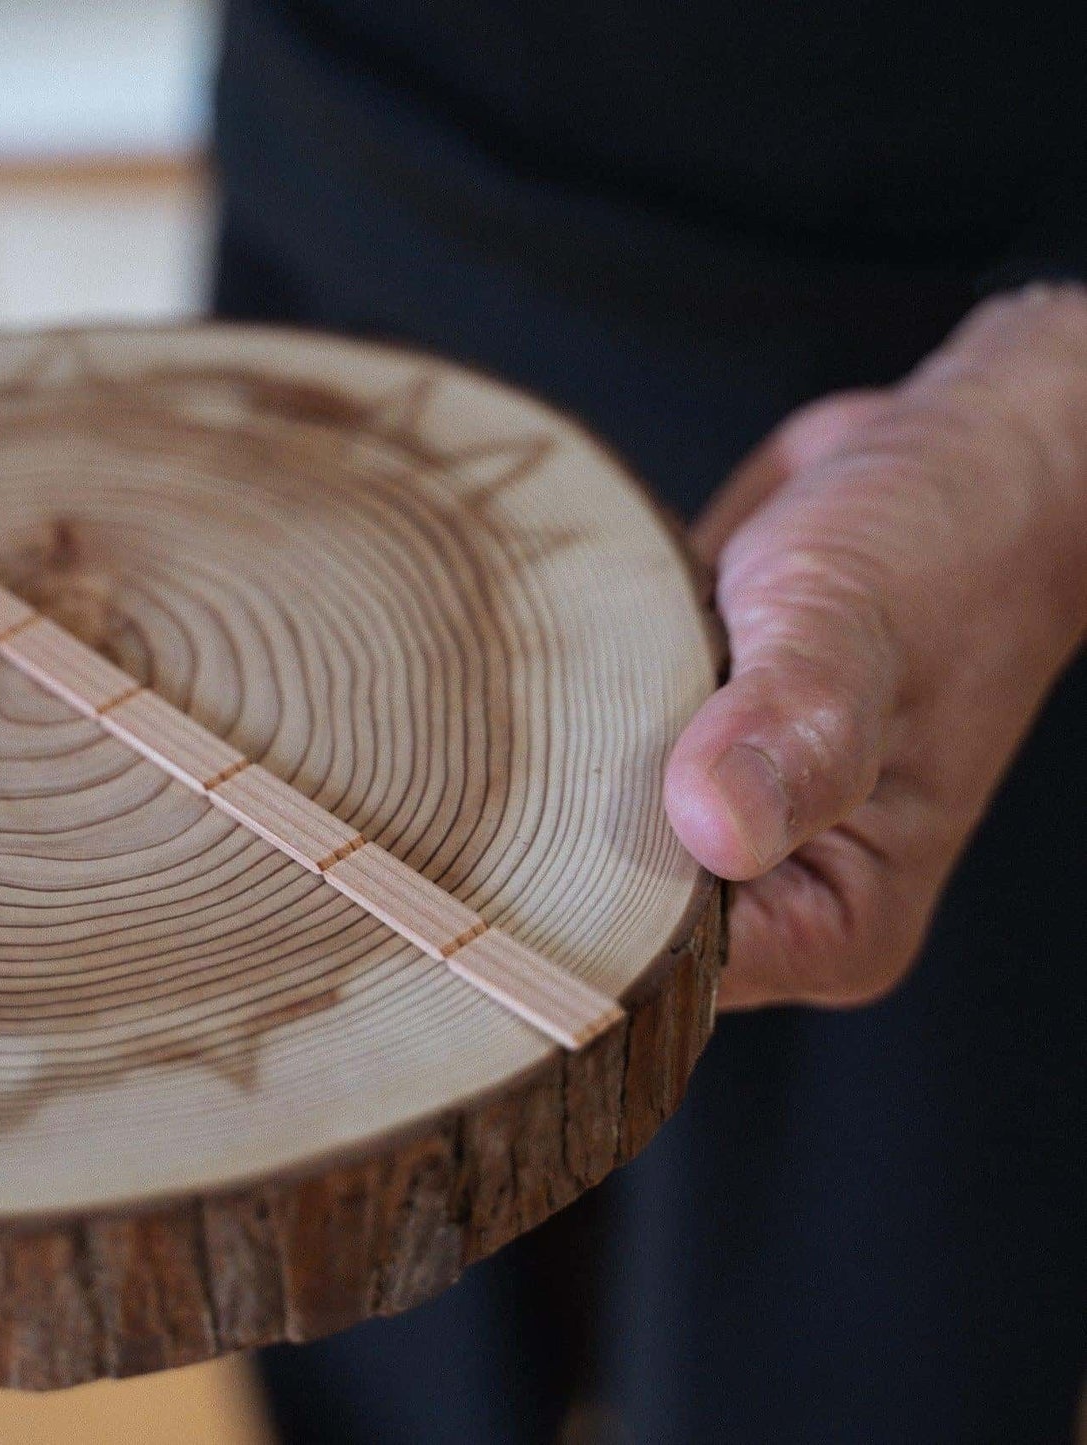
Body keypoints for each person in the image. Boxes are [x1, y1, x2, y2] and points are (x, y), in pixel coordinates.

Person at [207, 2, 1087, 1441]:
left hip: (940, 380)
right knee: (362, 1305)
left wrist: (1056, 423)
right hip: (341, 207)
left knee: (859, 1341)